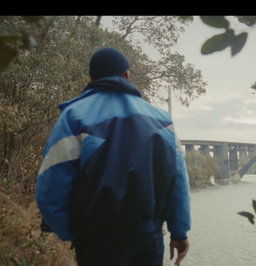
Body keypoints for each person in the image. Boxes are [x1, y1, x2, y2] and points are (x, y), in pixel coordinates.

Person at [35, 46, 191, 266]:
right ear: (127, 75)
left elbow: (50, 186)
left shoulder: (74, 117)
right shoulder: (163, 120)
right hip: (149, 240)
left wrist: (73, 233)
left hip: (97, 242)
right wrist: (179, 232)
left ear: (91, 78)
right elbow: (179, 182)